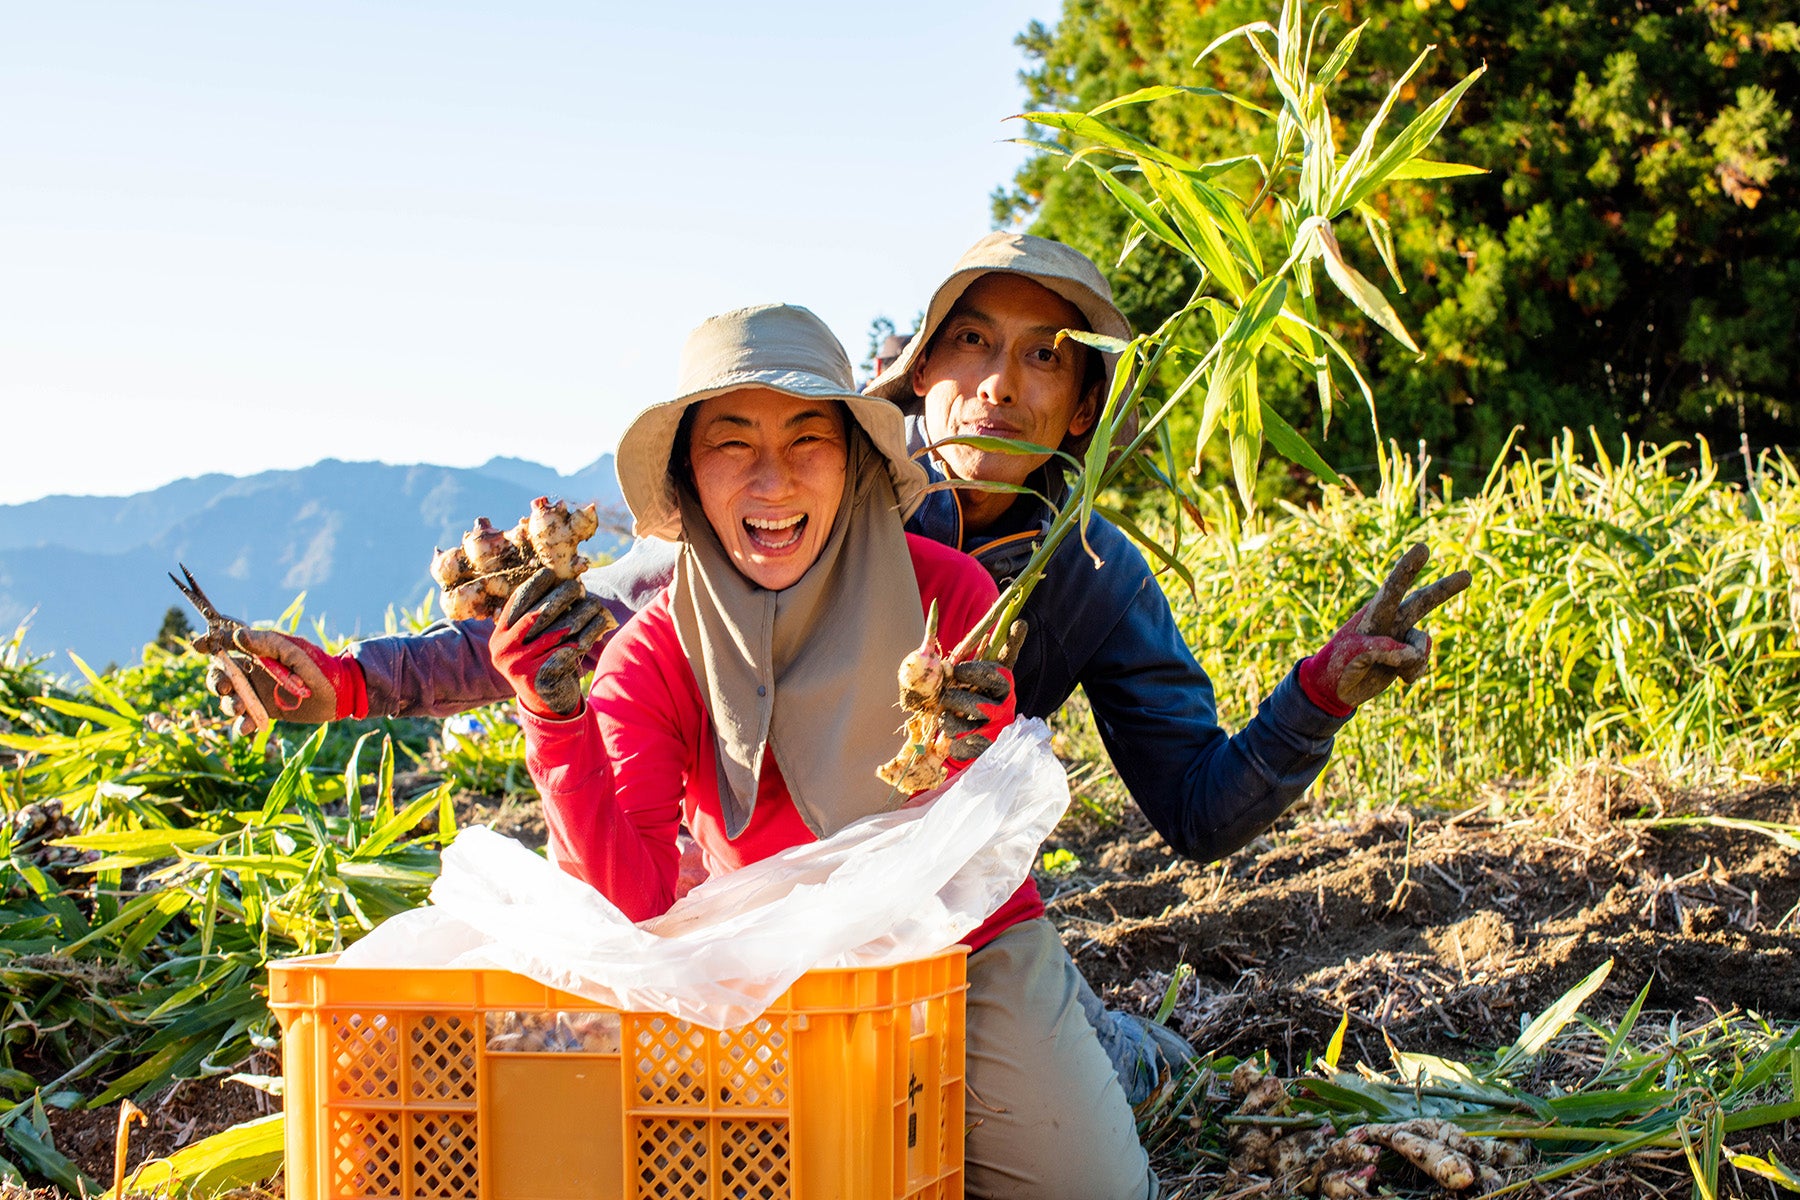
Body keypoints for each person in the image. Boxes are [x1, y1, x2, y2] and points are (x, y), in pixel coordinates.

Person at [206, 232, 1464, 1098]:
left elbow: (1196, 808)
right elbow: (575, 630)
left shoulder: (1087, 580)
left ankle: (1115, 1051)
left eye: (1045, 357)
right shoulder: (804, 498)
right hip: (739, 909)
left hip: (935, 921)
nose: (998, 387)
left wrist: (1319, 695)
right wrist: (348, 682)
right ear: (916, 376)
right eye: (970, 344)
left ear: (1085, 405)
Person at [489, 301, 1154, 1200]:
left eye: (810, 438)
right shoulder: (651, 657)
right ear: (689, 474)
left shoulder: (946, 595)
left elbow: (981, 838)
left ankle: (1123, 1052)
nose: (773, 481)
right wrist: (554, 719)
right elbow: (635, 901)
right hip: (772, 967)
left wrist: (974, 747)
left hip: (962, 946)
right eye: (732, 443)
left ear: (855, 464)